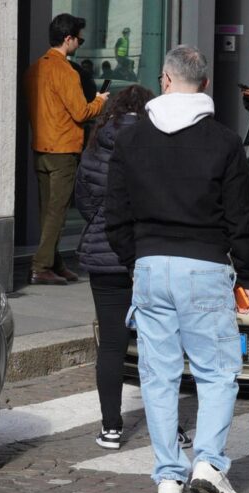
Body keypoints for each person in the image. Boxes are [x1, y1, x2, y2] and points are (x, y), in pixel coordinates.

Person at [105, 45, 249, 493]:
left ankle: (168, 477)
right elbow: (240, 217)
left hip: (151, 265)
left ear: (165, 80)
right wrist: (246, 273)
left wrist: (139, 260)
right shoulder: (225, 141)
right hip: (206, 265)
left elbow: (115, 215)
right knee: (216, 374)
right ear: (205, 86)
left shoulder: (131, 140)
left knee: (158, 376)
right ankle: (208, 462)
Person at [74, 85, 193, 451]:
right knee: (159, 344)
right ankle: (169, 428)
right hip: (148, 252)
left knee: (111, 345)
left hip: (104, 253)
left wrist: (103, 221)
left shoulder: (97, 145)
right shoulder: (155, 141)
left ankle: (111, 428)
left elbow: (82, 198)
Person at [24, 13, 108, 285]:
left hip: (41, 145)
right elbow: (81, 112)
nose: (79, 44)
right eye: (79, 40)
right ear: (68, 39)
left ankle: (54, 261)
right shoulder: (66, 71)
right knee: (57, 211)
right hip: (63, 149)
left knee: (47, 210)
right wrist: (99, 101)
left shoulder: (35, 68)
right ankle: (41, 266)